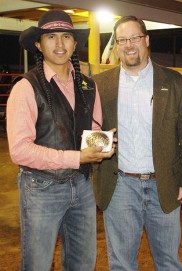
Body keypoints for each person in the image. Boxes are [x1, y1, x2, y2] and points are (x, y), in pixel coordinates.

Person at [6, 10, 115, 271]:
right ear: (38, 44)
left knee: (83, 262)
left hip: (82, 184)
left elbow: (93, 129)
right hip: (41, 188)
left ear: (74, 44)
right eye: (51, 37)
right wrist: (77, 157)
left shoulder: (89, 86)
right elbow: (19, 150)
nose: (59, 44)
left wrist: (105, 142)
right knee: (38, 264)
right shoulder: (26, 87)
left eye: (66, 36)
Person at [92, 16, 182, 271]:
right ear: (117, 45)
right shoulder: (101, 84)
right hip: (119, 186)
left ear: (146, 40)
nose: (129, 45)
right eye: (122, 40)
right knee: (121, 264)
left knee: (168, 262)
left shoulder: (173, 81)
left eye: (135, 38)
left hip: (164, 184)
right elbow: (92, 129)